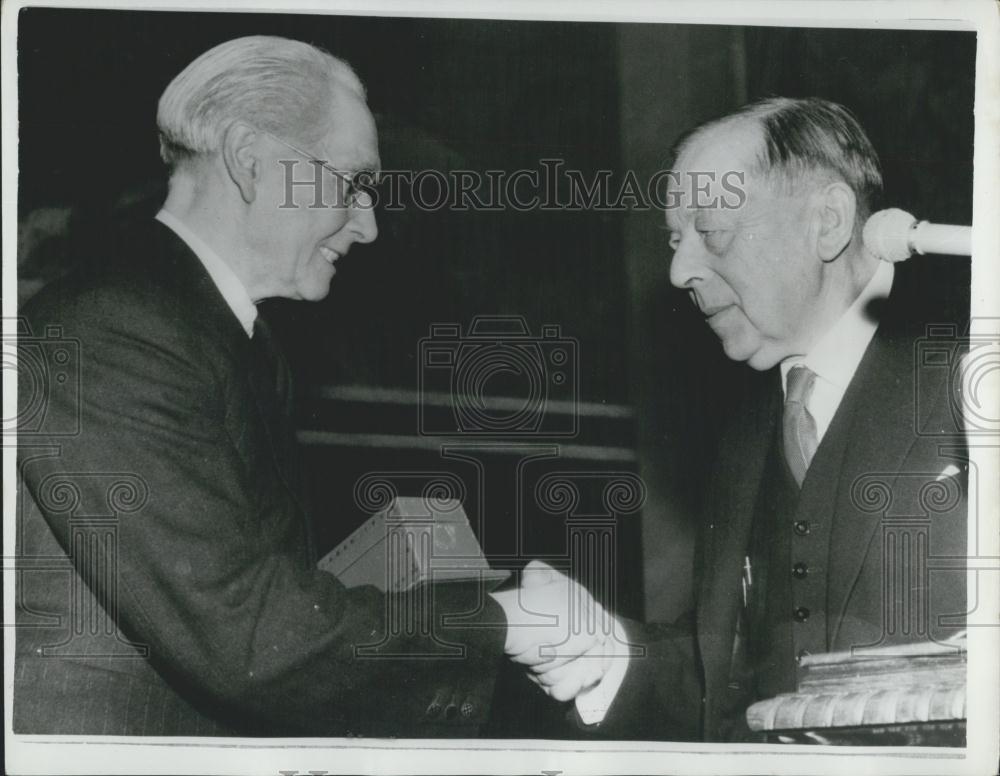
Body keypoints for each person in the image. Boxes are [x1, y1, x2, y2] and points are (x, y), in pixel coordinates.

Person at [14, 35, 610, 737]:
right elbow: (249, 636)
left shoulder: (224, 336)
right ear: (250, 160)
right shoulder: (117, 330)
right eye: (354, 183)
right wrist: (504, 620)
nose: (369, 225)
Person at [535, 97, 969, 741]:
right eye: (676, 242)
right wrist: (607, 651)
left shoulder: (970, 376)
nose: (680, 270)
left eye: (712, 233)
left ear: (827, 222)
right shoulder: (745, 432)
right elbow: (734, 684)